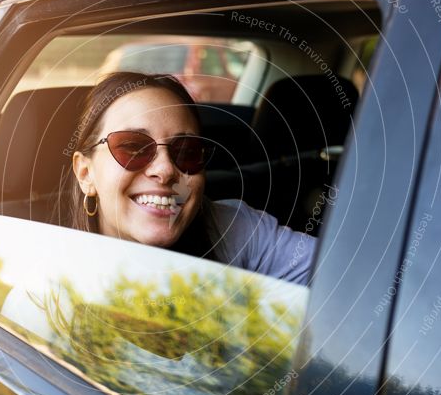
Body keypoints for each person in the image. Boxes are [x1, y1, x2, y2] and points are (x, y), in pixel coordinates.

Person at [67, 71, 317, 285]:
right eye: (133, 147)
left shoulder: (233, 229)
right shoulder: (46, 263)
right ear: (85, 173)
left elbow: (341, 276)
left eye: (187, 151)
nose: (165, 170)